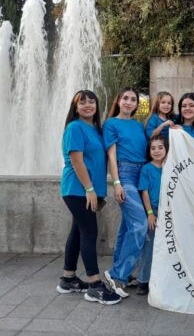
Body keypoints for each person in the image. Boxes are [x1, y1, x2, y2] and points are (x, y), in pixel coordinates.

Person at [58, 90, 121, 305]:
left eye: (91, 102)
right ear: (75, 108)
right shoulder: (74, 127)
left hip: (85, 190)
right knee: (89, 232)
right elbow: (77, 161)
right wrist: (90, 189)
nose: (87, 105)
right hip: (78, 189)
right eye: (82, 102)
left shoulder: (94, 129)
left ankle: (68, 279)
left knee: (77, 232)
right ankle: (95, 285)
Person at [103, 87, 148, 298]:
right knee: (140, 224)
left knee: (128, 225)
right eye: (125, 98)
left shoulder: (139, 126)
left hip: (142, 175)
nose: (129, 102)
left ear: (137, 104)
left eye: (133, 99)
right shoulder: (111, 124)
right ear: (119, 101)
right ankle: (118, 274)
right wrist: (117, 183)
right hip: (126, 174)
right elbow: (112, 156)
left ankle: (120, 272)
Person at [135, 135, 169, 296]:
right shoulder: (147, 169)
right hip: (153, 211)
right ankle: (143, 280)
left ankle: (163, 280)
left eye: (160, 147)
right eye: (153, 148)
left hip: (168, 212)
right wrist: (150, 213)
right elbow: (145, 192)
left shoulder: (170, 167)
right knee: (149, 247)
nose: (156, 151)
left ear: (166, 149)